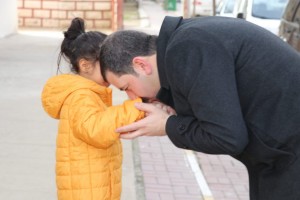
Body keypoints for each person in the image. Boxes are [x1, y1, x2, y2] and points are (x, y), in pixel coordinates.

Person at [99, 16, 300, 200]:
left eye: (126, 87)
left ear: (141, 65)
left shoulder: (188, 48)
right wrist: (172, 108)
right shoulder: (185, 43)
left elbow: (227, 137)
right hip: (279, 154)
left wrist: (168, 125)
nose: (132, 98)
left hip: (290, 151)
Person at [41, 18, 146, 200]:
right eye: (107, 65)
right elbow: (97, 130)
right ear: (85, 65)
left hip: (95, 187)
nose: (112, 70)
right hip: (86, 192)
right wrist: (136, 107)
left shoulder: (91, 93)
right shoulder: (80, 96)